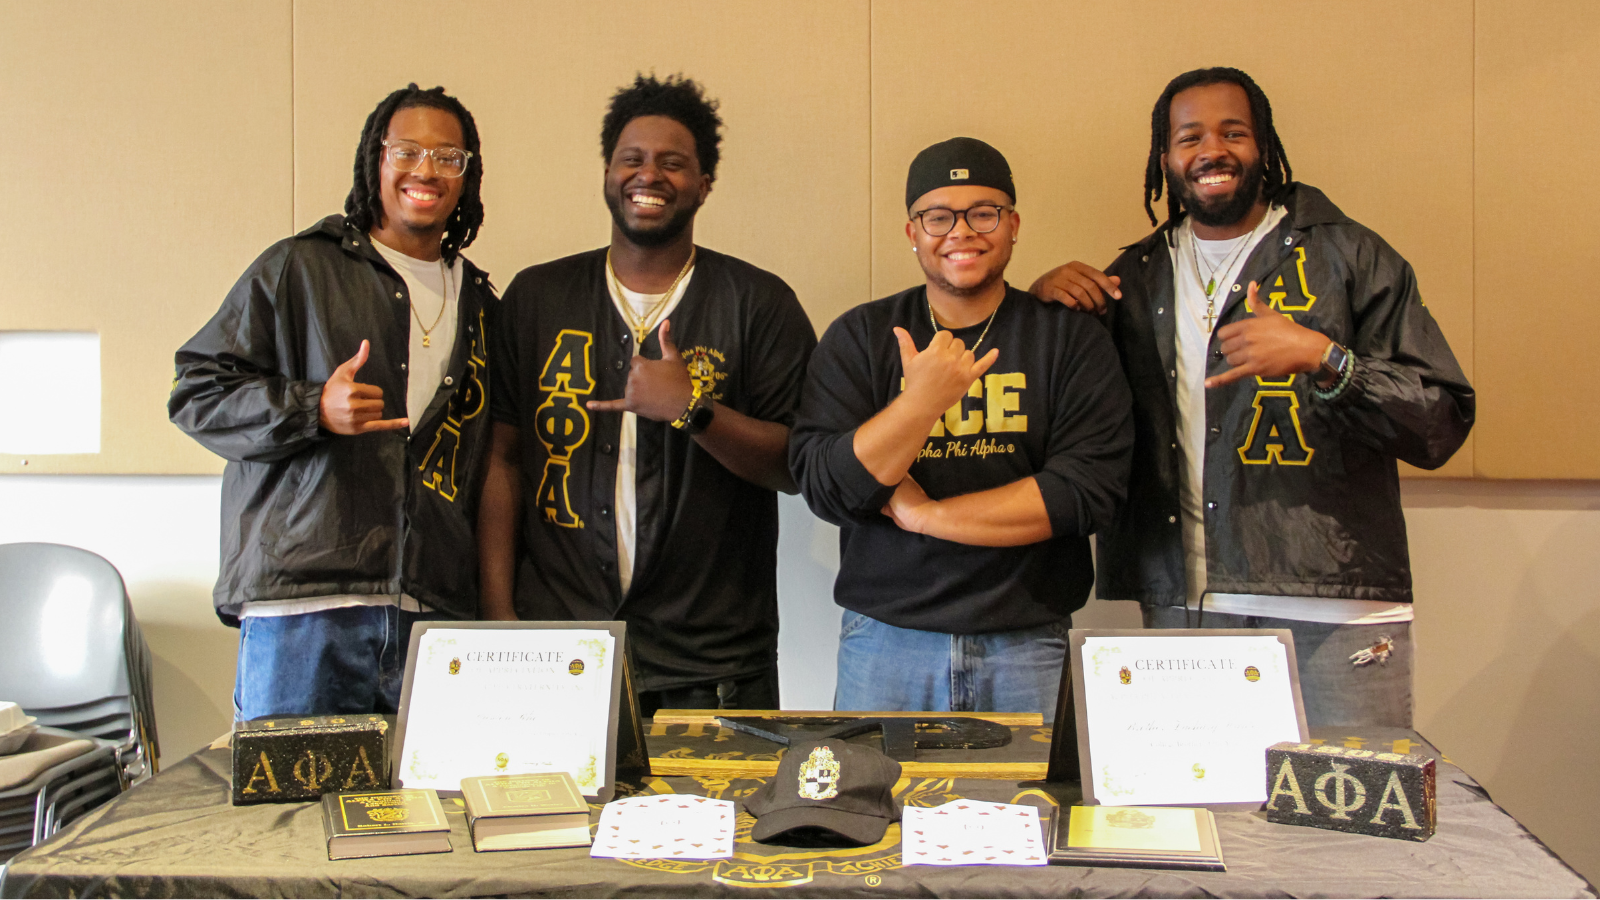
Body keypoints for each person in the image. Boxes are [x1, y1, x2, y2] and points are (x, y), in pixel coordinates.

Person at [1029, 67, 1475, 726]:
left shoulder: (1349, 255)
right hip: (1186, 606)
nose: (1212, 150)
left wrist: (1326, 359)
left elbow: (1441, 419)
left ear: (1263, 146)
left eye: (1232, 132)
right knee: (1201, 822)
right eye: (1190, 137)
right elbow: (1072, 420)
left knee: (1345, 821)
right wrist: (1045, 309)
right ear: (1165, 158)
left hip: (1333, 608)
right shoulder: (1136, 277)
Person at [478, 74, 816, 716]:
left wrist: (695, 411)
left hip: (713, 664)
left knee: (720, 823)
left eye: (673, 162)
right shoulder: (537, 299)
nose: (649, 175)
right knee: (540, 822)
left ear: (704, 183)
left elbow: (798, 465)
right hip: (555, 652)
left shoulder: (758, 304)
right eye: (632, 159)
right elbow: (501, 460)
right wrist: (498, 616)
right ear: (608, 171)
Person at [169, 85, 495, 719]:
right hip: (306, 610)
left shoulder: (482, 305)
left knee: (426, 817)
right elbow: (196, 390)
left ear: (467, 175)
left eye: (448, 157)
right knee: (286, 817)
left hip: (433, 616)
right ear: (375, 159)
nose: (425, 170)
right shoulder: (300, 268)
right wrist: (312, 407)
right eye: (407, 150)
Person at [790, 138, 1133, 714]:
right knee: (877, 806)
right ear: (913, 232)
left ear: (1013, 224)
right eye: (938, 216)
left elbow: (1086, 492)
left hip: (1029, 644)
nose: (961, 231)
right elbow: (828, 486)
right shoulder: (860, 337)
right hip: (885, 644)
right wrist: (920, 404)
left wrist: (926, 515)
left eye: (984, 212)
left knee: (1036, 808)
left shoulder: (1068, 339)